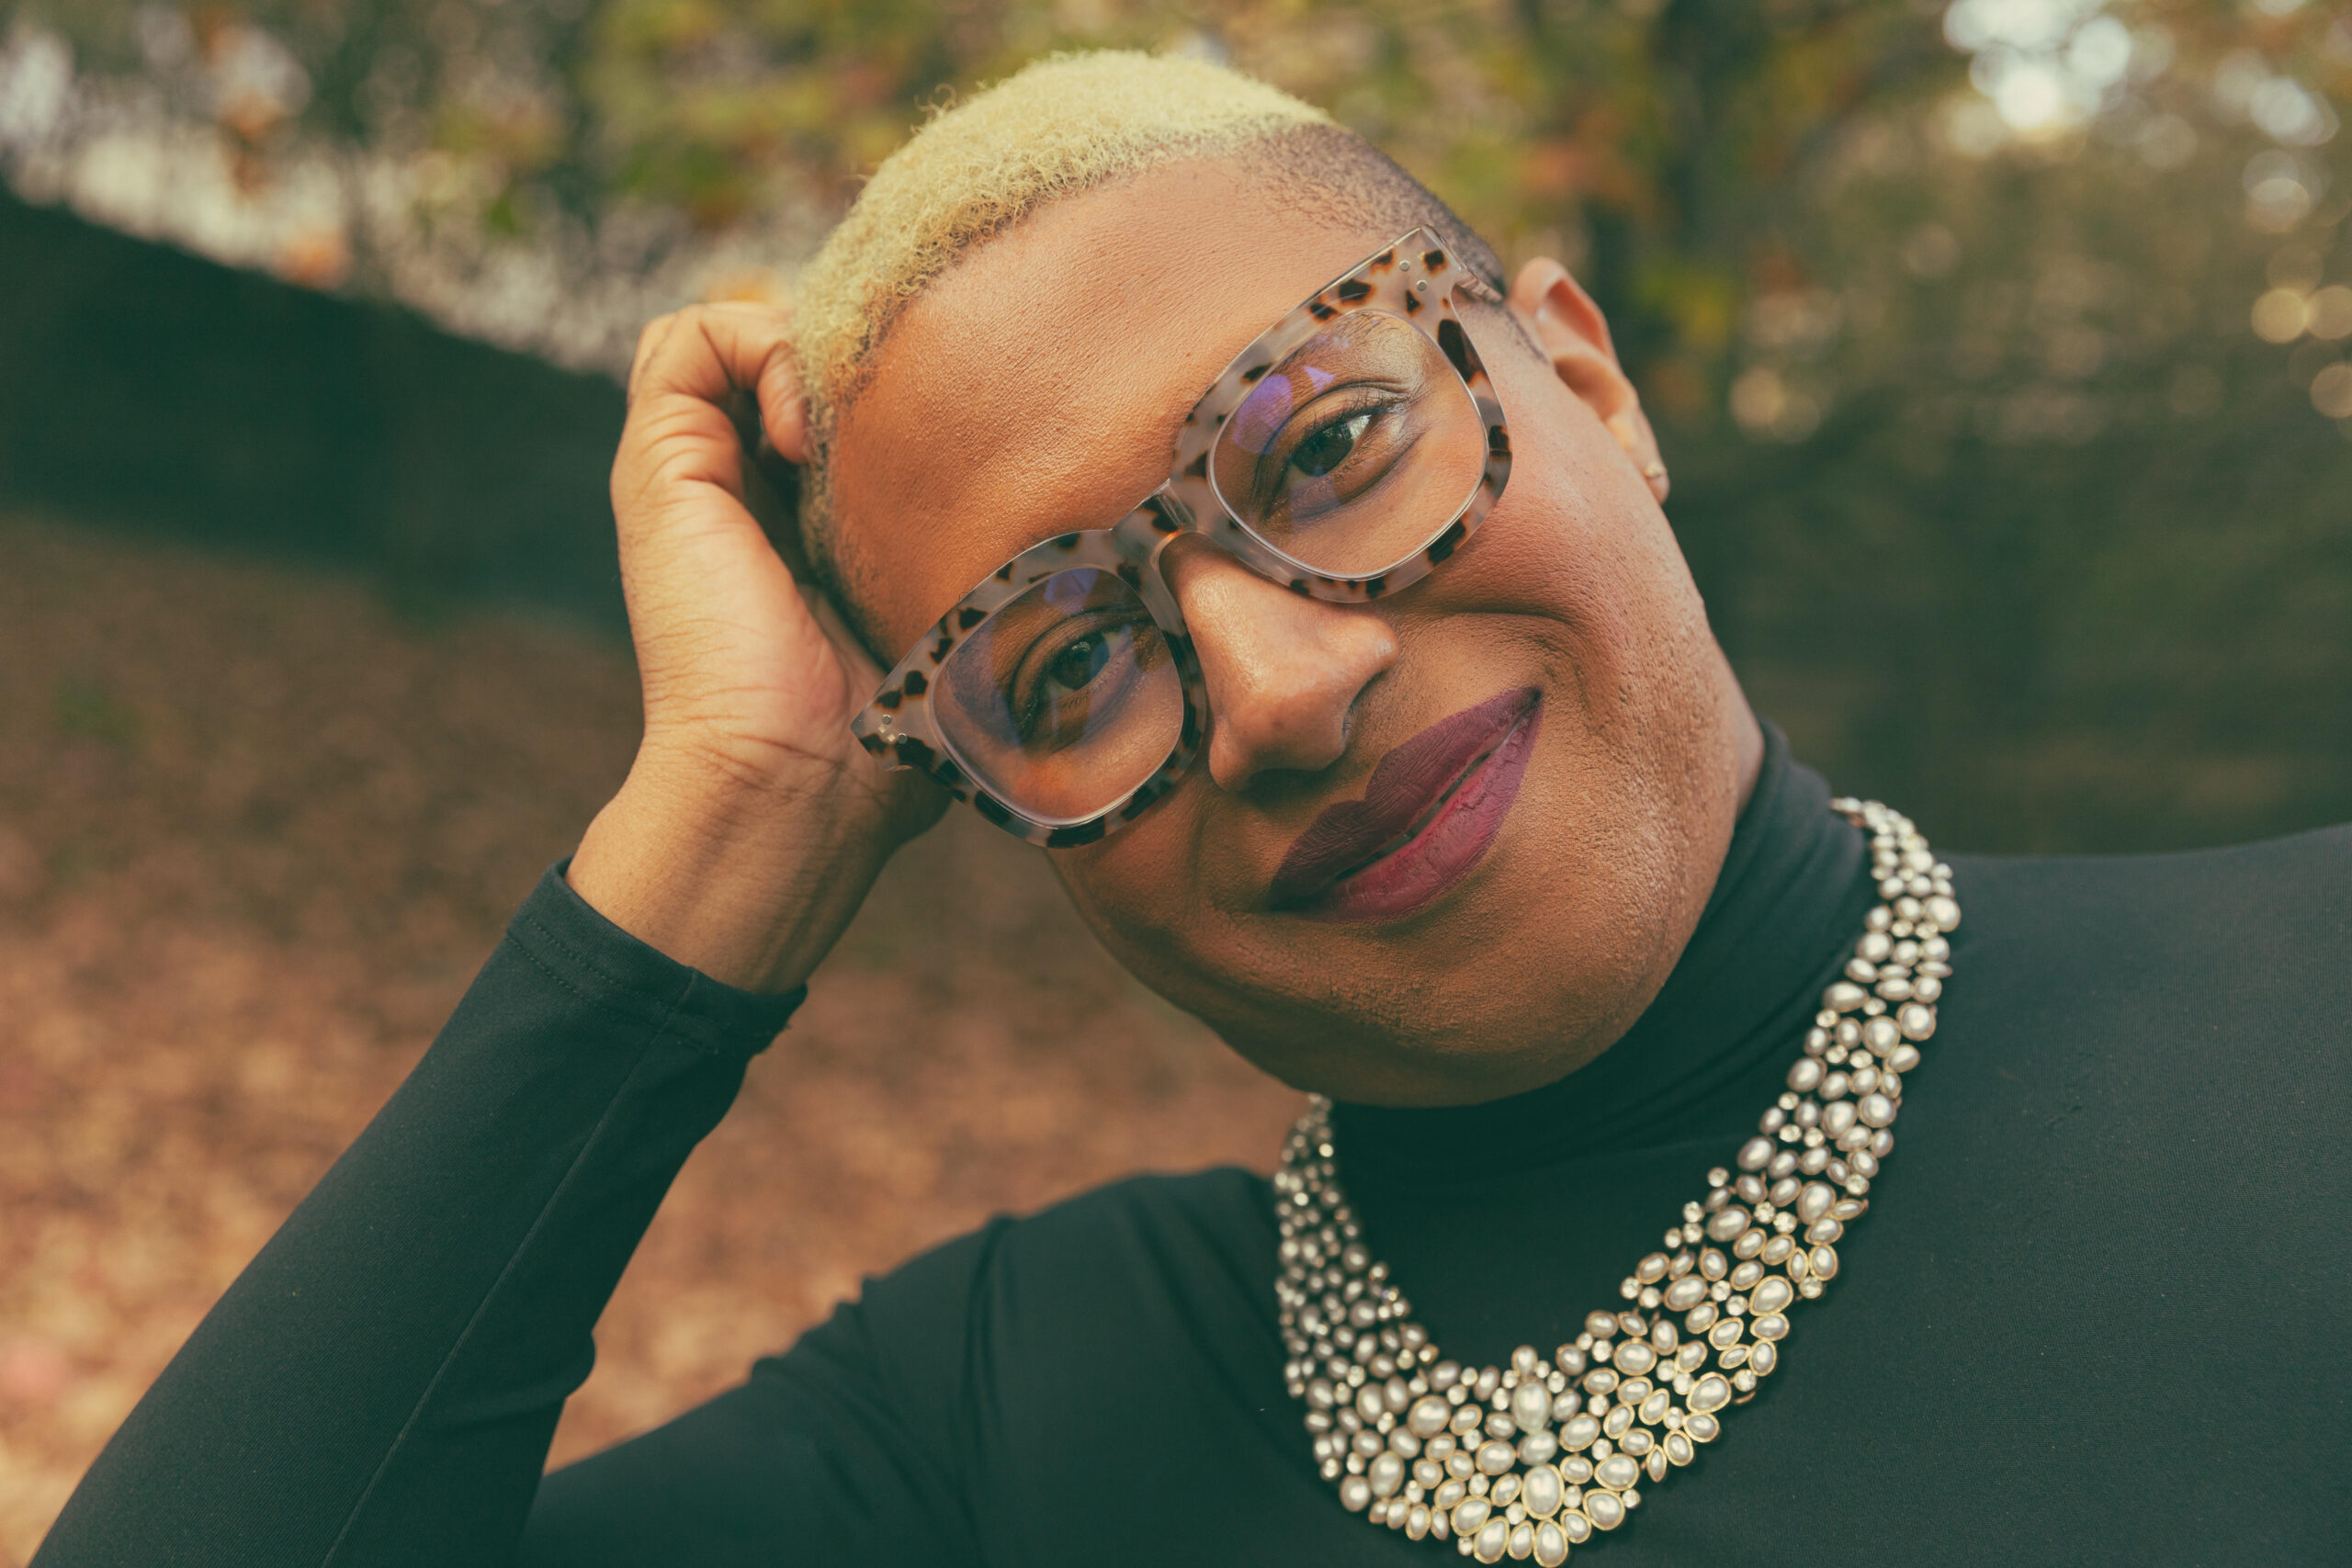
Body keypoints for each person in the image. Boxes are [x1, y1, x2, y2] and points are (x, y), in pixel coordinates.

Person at [34, 50, 2348, 1568]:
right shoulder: (1012, 1423)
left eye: (1327, 448)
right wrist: (729, 822)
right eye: (1061, 663)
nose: (1279, 686)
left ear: (1586, 379)